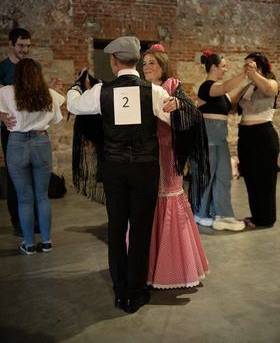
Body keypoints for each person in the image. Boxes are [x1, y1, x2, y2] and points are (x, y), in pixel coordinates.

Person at [67, 36, 176, 314]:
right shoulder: (154, 91)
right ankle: (135, 292)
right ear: (136, 60)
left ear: (114, 61)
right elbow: (174, 120)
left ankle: (120, 291)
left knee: (116, 227)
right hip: (144, 168)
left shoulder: (101, 91)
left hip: (114, 169)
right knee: (140, 230)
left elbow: (74, 106)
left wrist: (76, 86)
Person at [142, 44, 209, 289]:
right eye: (144, 63)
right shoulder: (142, 88)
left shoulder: (173, 86)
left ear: (162, 66)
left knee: (169, 197)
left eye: (152, 63)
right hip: (147, 154)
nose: (146, 67)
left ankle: (173, 267)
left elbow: (193, 113)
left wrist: (179, 106)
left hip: (169, 152)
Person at [0, 58, 65, 255]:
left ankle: (28, 244)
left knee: (24, 199)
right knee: (42, 196)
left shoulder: (6, 92)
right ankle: (46, 242)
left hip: (17, 143)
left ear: (17, 74)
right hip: (40, 142)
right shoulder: (49, 94)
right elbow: (56, 117)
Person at [195, 51, 247, 231]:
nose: (225, 69)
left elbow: (230, 101)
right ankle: (201, 214)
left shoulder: (221, 93)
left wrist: (246, 85)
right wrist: (244, 74)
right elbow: (224, 88)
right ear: (214, 67)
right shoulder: (206, 87)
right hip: (207, 137)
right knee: (207, 177)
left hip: (220, 138)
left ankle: (223, 215)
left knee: (224, 177)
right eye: (223, 66)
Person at [238, 52, 279, 228]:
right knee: (250, 177)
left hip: (263, 135)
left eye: (250, 65)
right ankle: (257, 216)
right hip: (245, 135)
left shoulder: (271, 82)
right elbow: (232, 102)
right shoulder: (248, 86)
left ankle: (267, 218)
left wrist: (254, 74)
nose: (247, 68)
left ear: (259, 66)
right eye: (245, 65)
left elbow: (270, 90)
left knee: (265, 179)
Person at [0, 28, 32, 236]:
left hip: (31, 128)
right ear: (11, 45)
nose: (25, 50)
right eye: (21, 46)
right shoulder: (2, 68)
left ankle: (32, 221)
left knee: (31, 175)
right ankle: (18, 222)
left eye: (28, 46)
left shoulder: (31, 67)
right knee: (14, 176)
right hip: (11, 129)